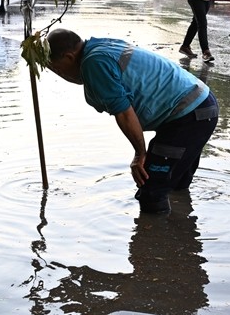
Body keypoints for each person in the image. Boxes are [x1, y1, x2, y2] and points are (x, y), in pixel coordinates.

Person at [46, 28, 219, 214]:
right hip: (201, 107)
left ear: (69, 57)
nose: (59, 74)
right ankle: (181, 232)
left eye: (56, 68)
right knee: (175, 184)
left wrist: (139, 155)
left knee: (151, 191)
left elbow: (124, 113)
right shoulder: (100, 45)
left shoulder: (93, 63)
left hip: (189, 115)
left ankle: (154, 238)